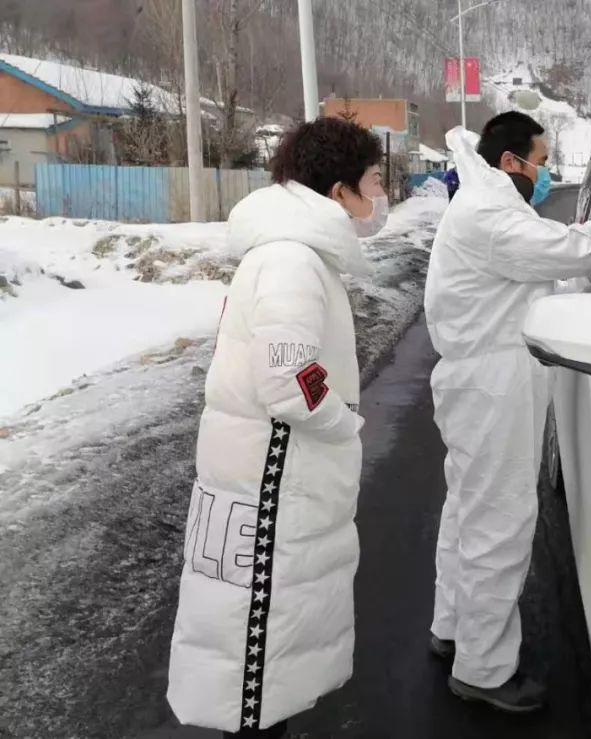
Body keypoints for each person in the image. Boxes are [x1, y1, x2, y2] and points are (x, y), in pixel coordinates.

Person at [424, 111, 591, 712]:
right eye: (540, 160)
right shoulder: (491, 216)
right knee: (499, 522)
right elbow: (571, 245)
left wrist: (580, 292)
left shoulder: (488, 207)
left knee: (468, 509)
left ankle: (453, 628)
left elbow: (517, 283)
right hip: (493, 383)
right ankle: (483, 670)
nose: (545, 174)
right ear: (511, 161)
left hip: (479, 375)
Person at [167, 117, 389, 738]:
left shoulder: (295, 255)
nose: (380, 197)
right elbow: (290, 376)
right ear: (338, 190)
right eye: (374, 181)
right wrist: (343, 419)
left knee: (259, 663)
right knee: (256, 662)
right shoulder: (292, 261)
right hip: (274, 486)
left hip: (271, 478)